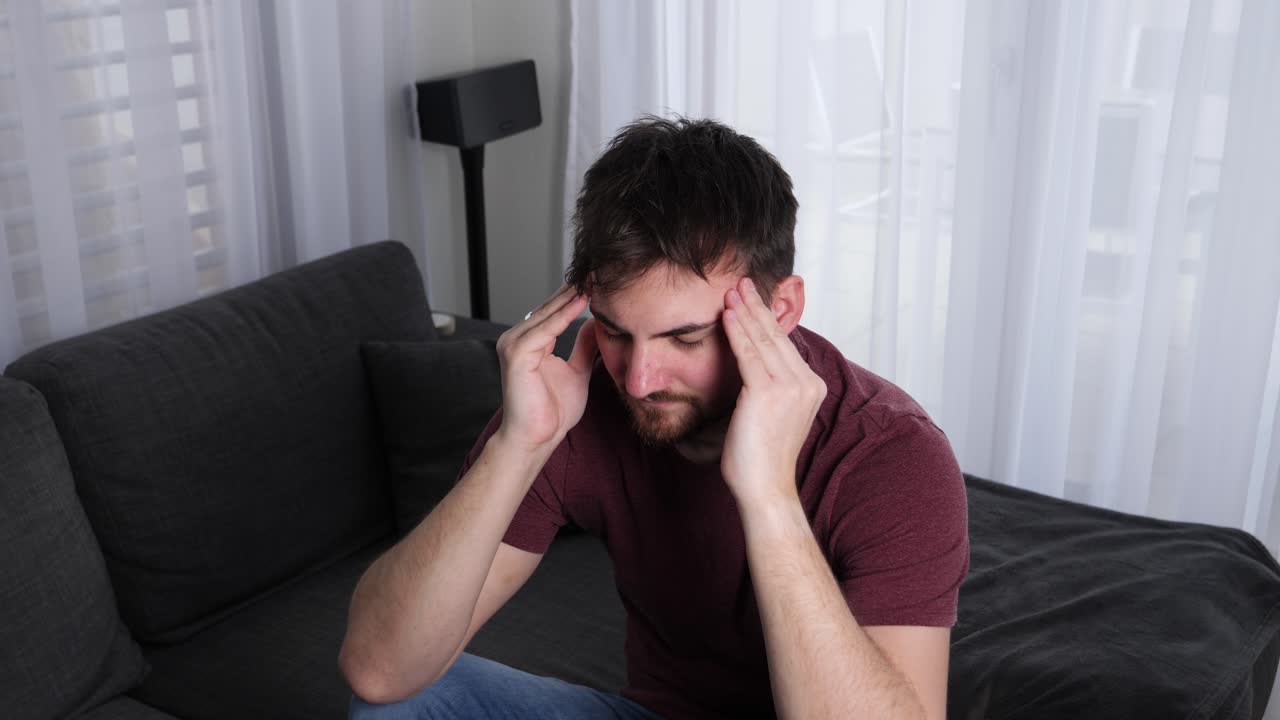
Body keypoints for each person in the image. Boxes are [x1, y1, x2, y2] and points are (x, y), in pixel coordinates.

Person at [339, 116, 969, 720]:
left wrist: (770, 496)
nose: (638, 380)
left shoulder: (891, 456)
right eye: (614, 331)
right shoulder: (576, 405)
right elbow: (379, 668)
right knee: (402, 704)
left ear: (781, 309)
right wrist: (518, 444)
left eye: (686, 339)